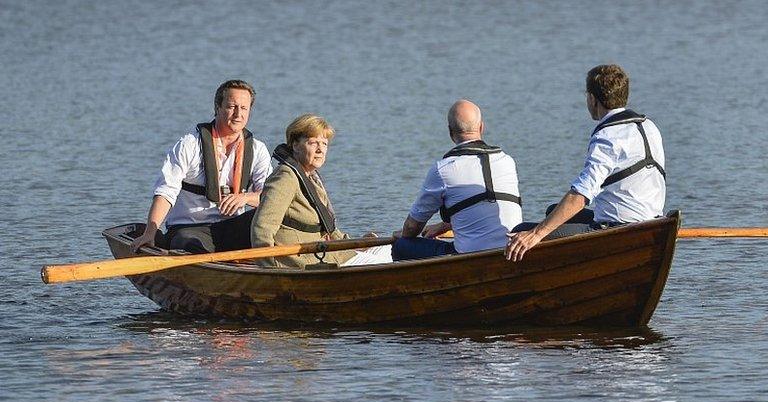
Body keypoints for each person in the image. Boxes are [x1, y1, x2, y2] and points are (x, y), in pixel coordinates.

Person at [505, 64, 666, 262]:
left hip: (620, 228)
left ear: (591, 98)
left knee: (521, 231)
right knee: (552, 211)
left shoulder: (607, 136)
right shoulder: (649, 126)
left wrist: (536, 234)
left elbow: (581, 195)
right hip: (653, 221)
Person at [131, 79, 273, 253]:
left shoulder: (258, 149)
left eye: (244, 108)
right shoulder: (189, 144)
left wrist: (245, 198)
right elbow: (165, 191)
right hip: (190, 229)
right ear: (217, 107)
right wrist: (149, 233)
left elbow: (269, 197)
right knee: (189, 244)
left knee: (273, 217)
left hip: (232, 227)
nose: (238, 114)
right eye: (231, 107)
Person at [250, 114, 391, 268]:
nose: (320, 150)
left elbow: (328, 227)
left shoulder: (311, 177)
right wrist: (269, 268)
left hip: (324, 253)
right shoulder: (286, 177)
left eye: (324, 144)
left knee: (386, 250)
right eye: (313, 143)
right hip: (304, 260)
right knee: (384, 262)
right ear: (295, 145)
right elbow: (262, 227)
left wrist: (355, 244)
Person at [392, 99, 523, 260]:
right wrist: (444, 226)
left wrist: (402, 235)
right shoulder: (507, 161)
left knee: (402, 246)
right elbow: (483, 206)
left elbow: (412, 227)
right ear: (482, 126)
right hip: (511, 250)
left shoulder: (443, 169)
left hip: (470, 258)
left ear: (450, 132)